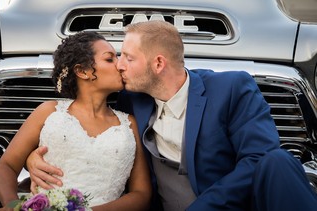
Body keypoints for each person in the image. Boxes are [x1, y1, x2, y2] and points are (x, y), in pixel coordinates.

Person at [25, 21, 317, 210]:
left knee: (279, 161)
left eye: (127, 57)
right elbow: (77, 116)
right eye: (116, 57)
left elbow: (258, 160)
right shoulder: (130, 99)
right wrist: (34, 157)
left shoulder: (232, 88)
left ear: (158, 63)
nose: (120, 66)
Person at [0, 31, 152, 211]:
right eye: (110, 59)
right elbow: (6, 166)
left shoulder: (129, 125)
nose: (120, 65)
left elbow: (142, 194)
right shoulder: (48, 113)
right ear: (82, 71)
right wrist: (13, 206)